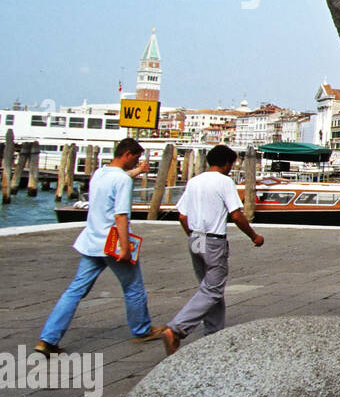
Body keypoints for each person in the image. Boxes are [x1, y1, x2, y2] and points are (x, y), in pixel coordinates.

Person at [35, 138, 160, 354]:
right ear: (128, 154)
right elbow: (121, 216)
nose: (136, 162)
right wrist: (124, 247)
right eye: (136, 158)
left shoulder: (100, 173)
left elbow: (119, 179)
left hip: (91, 241)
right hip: (111, 243)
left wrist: (137, 171)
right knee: (133, 288)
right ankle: (141, 330)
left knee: (75, 291)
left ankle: (47, 339)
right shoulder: (123, 180)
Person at [158, 145, 265, 356]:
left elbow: (182, 216)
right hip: (213, 240)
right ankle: (176, 329)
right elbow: (236, 215)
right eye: (232, 164)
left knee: (208, 288)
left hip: (195, 238)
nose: (231, 168)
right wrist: (254, 236)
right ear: (226, 163)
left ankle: (213, 333)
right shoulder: (224, 181)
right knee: (212, 289)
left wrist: (192, 235)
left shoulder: (195, 181)